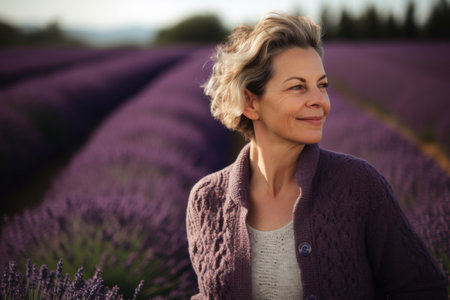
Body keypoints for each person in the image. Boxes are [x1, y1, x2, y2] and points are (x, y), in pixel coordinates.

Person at [186, 12, 448, 299]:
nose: (319, 101)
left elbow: (422, 289)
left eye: (322, 85)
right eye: (298, 87)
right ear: (250, 102)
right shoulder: (206, 200)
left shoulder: (358, 185)